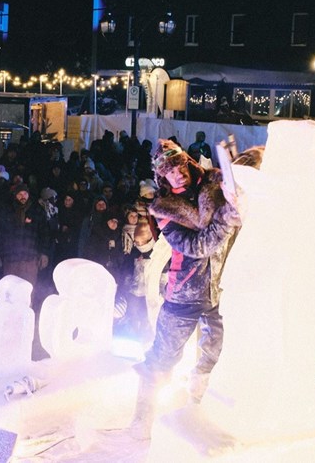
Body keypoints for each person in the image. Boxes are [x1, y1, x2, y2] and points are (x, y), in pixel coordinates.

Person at [129, 138, 242, 439]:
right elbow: (197, 245)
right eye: (169, 172)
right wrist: (227, 220)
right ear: (162, 177)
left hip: (217, 293)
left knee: (213, 356)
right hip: (183, 295)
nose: (177, 174)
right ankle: (142, 418)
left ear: (188, 163)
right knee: (162, 358)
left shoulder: (213, 186)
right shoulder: (165, 210)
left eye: (179, 166)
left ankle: (196, 410)